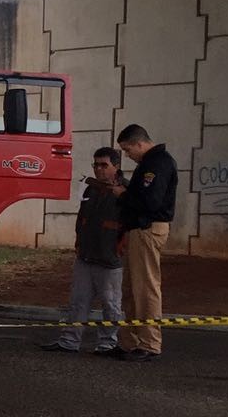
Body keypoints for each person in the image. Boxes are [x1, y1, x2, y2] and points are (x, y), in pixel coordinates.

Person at [42, 147, 127, 354]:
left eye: (104, 165)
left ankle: (108, 344)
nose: (98, 169)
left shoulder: (126, 193)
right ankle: (69, 341)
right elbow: (82, 220)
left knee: (111, 305)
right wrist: (80, 245)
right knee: (78, 301)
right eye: (95, 165)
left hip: (110, 260)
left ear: (116, 166)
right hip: (86, 256)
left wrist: (118, 250)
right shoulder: (91, 189)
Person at [110, 124, 178, 362]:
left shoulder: (157, 163)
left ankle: (149, 343)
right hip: (137, 229)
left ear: (139, 143)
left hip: (147, 228)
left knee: (146, 288)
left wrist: (123, 195)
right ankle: (130, 342)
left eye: (128, 150)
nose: (128, 155)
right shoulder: (148, 164)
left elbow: (150, 201)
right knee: (131, 289)